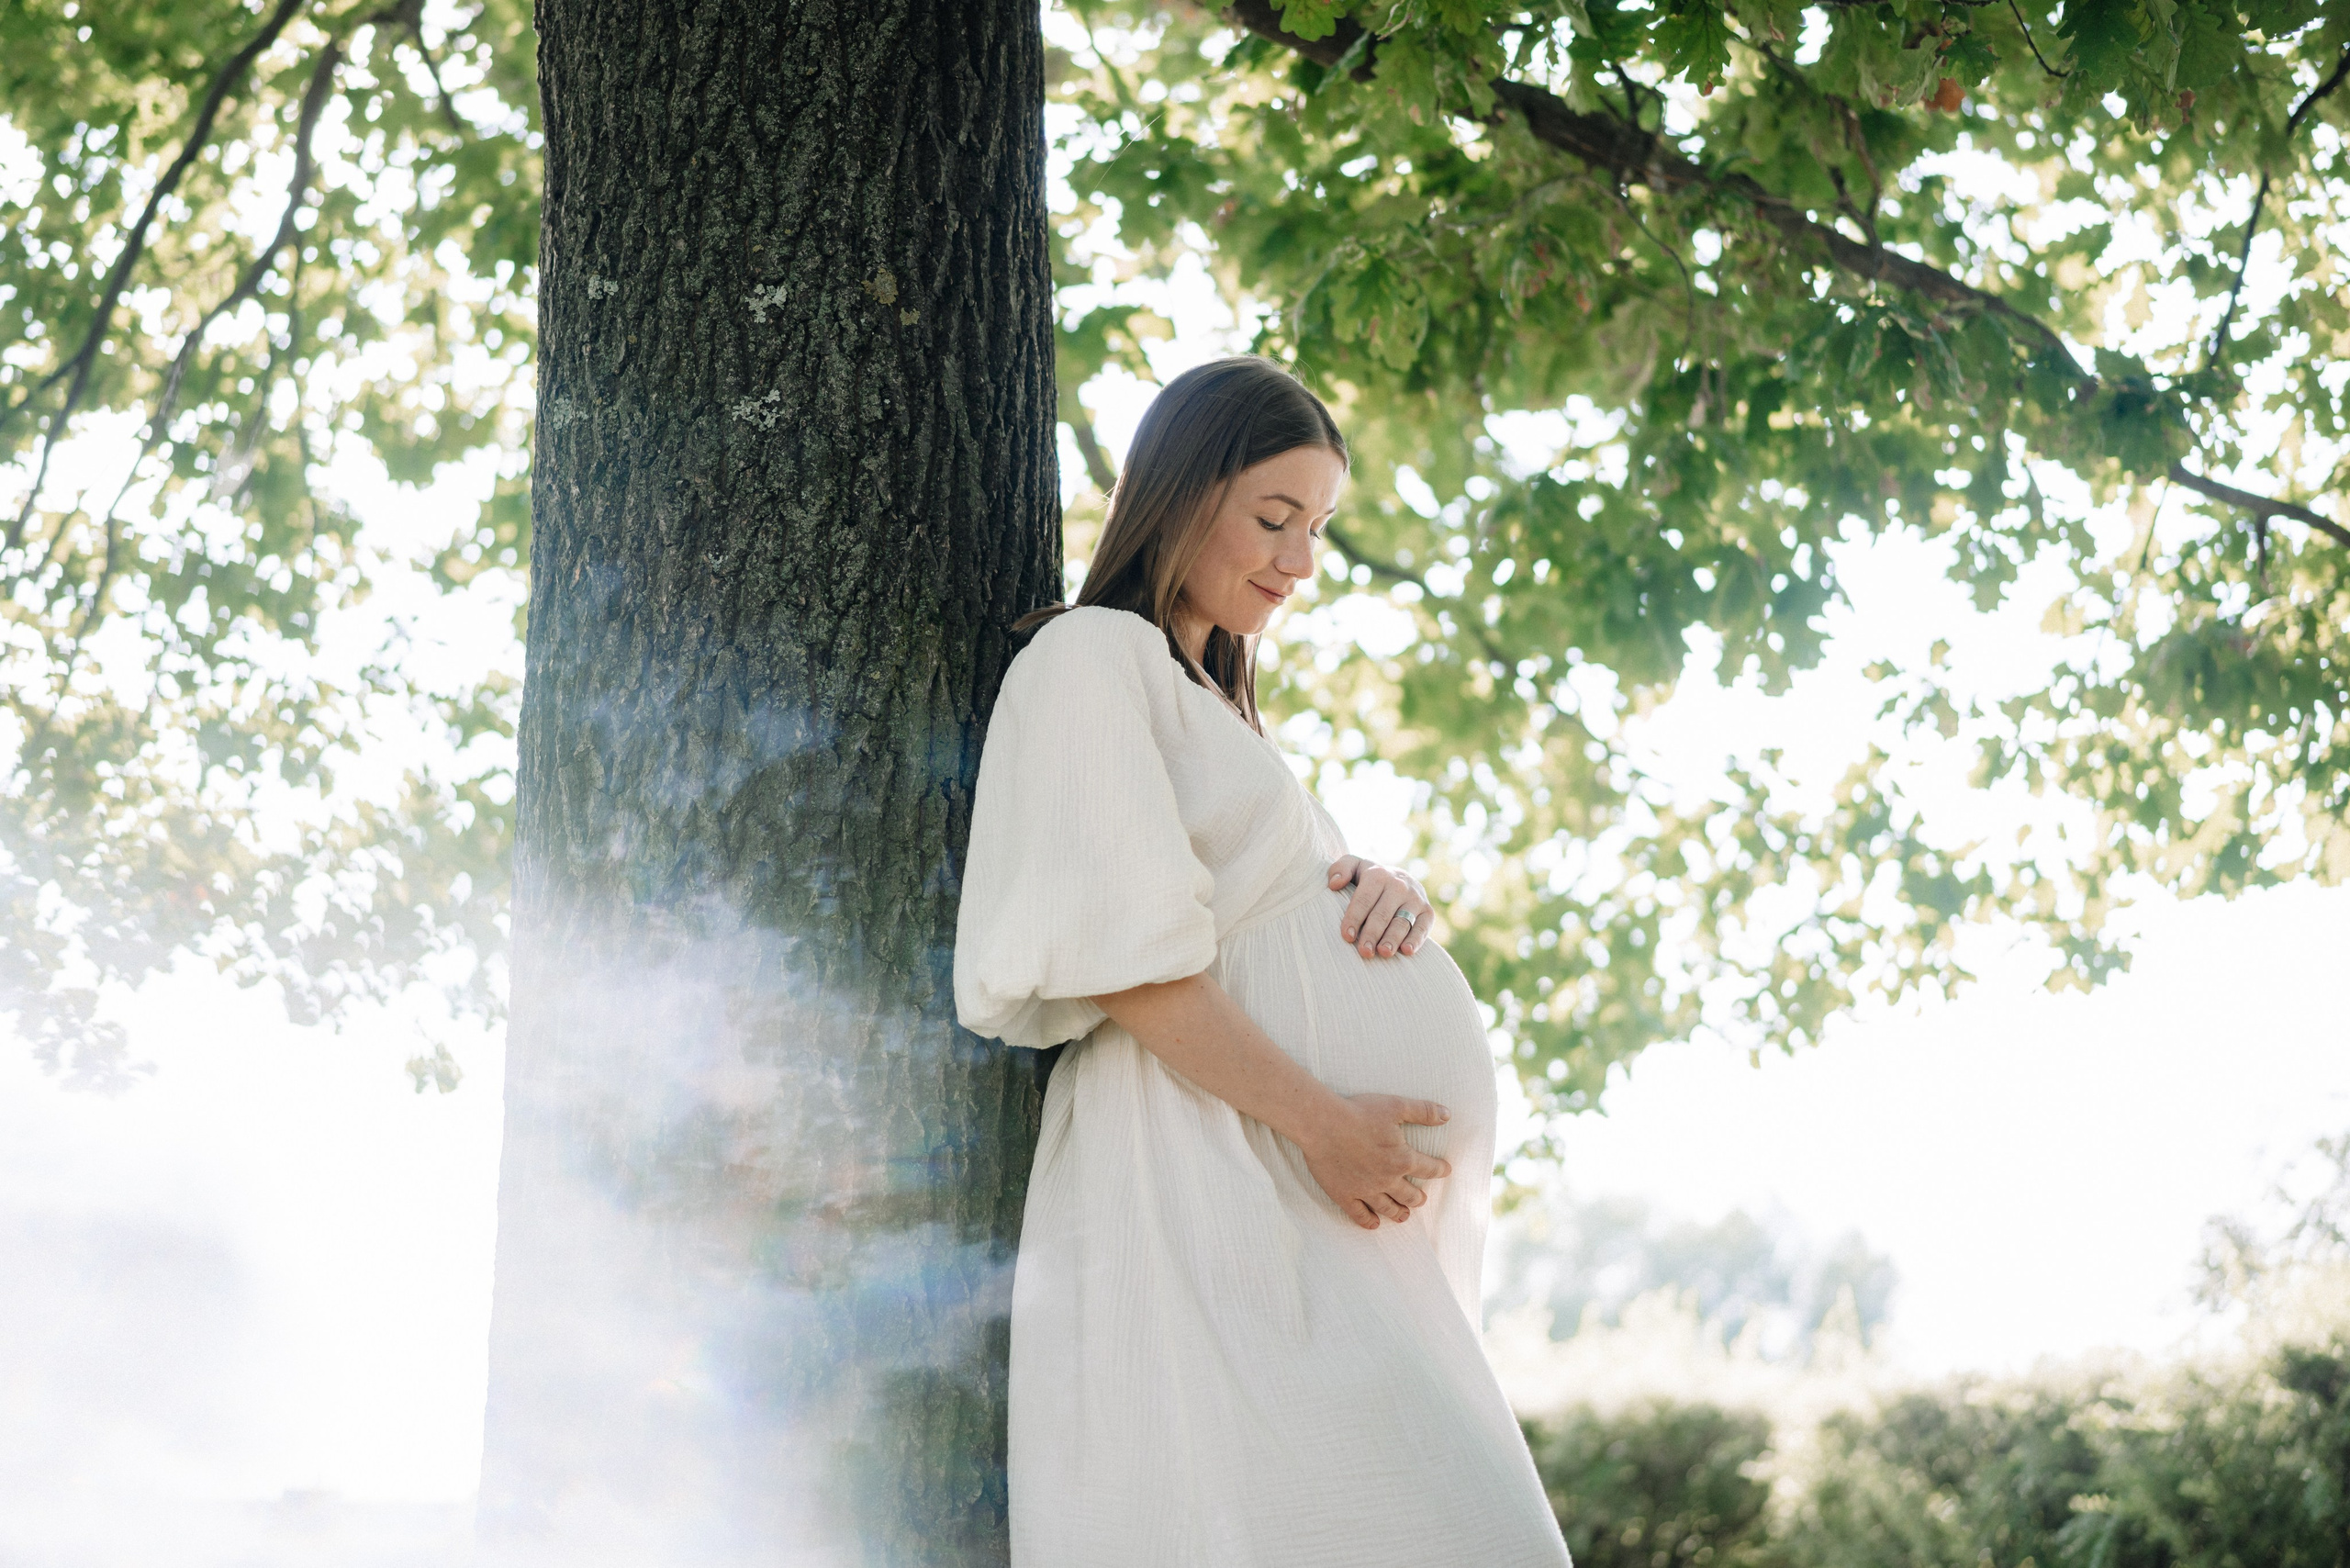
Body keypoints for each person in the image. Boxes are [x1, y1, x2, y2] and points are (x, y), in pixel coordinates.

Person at [954, 355, 1572, 1566]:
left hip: (1294, 1176)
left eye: (1320, 529)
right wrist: (1323, 1127)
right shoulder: (1091, 661)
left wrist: (1385, 889)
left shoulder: (1220, 703)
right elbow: (1121, 963)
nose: (1299, 563)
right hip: (1213, 1164)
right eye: (1274, 518)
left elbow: (1266, 903)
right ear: (1181, 493)